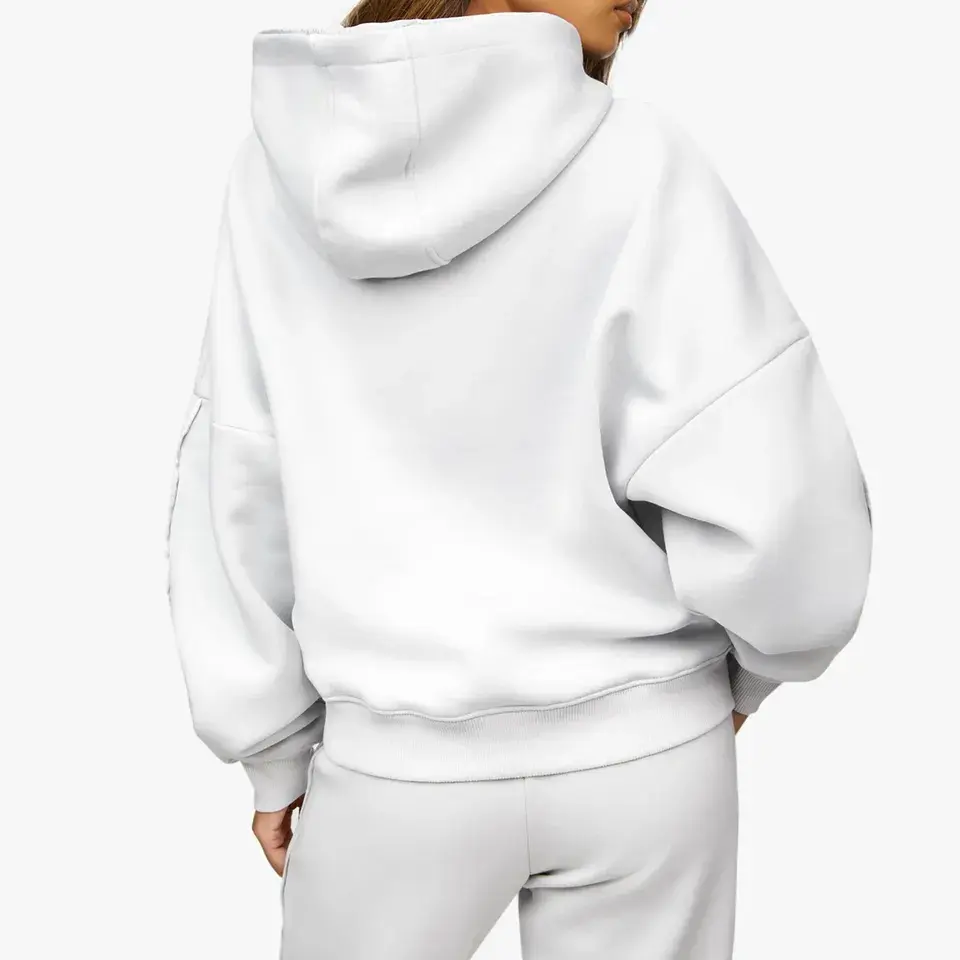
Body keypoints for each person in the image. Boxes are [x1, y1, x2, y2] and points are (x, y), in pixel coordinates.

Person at [165, 2, 873, 957]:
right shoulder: (639, 159)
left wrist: (272, 749)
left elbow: (241, 476)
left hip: (392, 775)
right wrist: (755, 668)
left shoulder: (276, 178)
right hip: (644, 759)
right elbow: (768, 472)